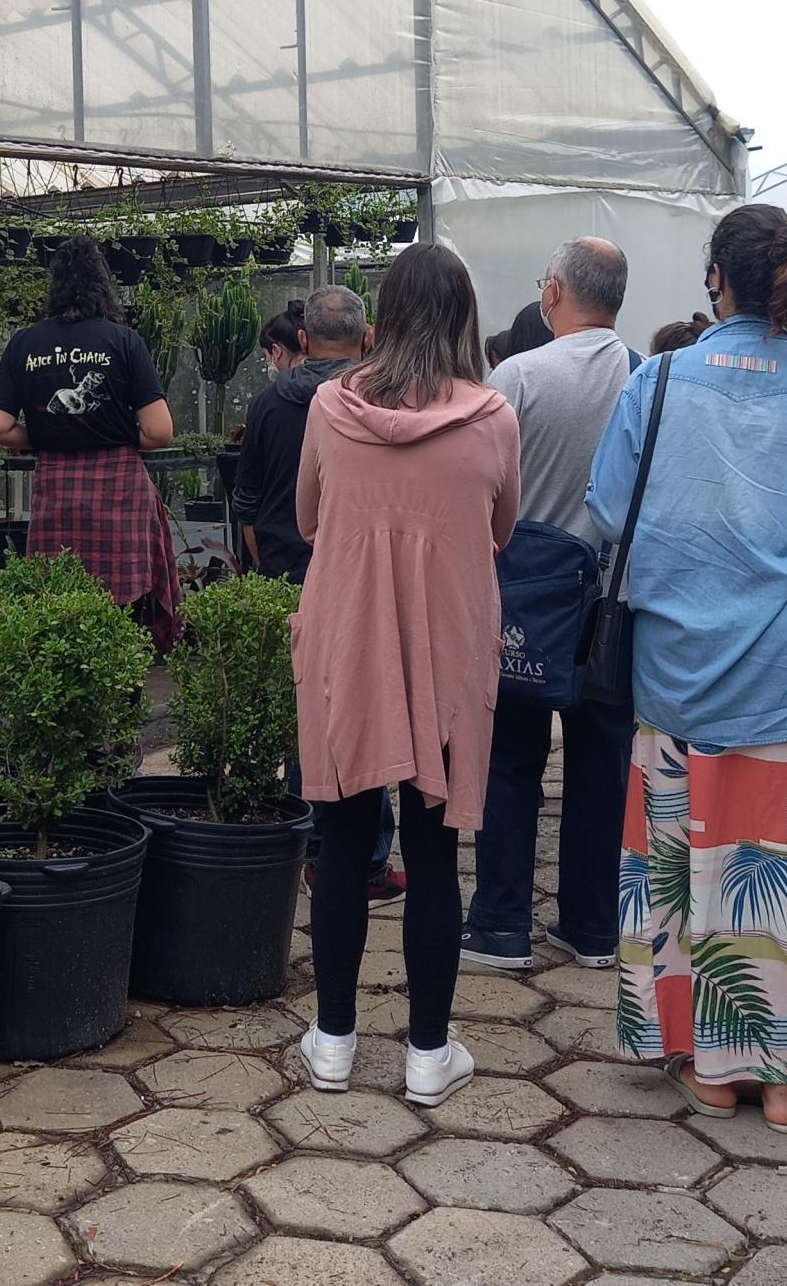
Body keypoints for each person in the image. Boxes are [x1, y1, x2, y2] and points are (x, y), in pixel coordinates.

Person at [589, 203, 787, 1132]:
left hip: (678, 674)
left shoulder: (658, 380)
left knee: (690, 873)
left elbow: (608, 511)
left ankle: (710, 1069)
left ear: (717, 278)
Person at [293, 245, 519, 1108]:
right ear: (464, 318)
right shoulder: (493, 417)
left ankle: (333, 1043)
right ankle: (428, 1053)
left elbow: (308, 518)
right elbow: (502, 529)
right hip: (449, 650)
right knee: (434, 853)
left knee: (343, 841)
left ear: (382, 315)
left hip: (348, 642)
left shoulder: (329, 405)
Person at [463, 237, 637, 974]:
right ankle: (593, 928)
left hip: (521, 601)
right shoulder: (647, 379)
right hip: (614, 608)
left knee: (510, 761)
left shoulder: (518, 374)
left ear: (555, 292)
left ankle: (501, 925)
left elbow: (479, 485)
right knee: (602, 765)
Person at [234, 288, 404, 903]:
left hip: (285, 568)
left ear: (303, 340)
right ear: (368, 338)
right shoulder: (380, 402)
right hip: (361, 575)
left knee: (306, 715)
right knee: (367, 708)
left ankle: (309, 848)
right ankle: (369, 858)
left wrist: (266, 563)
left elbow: (247, 500)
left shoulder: (267, 403)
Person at [0, 236, 179, 648]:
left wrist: (41, 435)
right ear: (102, 285)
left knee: (58, 597)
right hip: (119, 485)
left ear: (54, 287)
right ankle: (123, 675)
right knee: (125, 603)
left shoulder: (25, 343)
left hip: (57, 486)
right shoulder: (123, 341)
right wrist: (115, 433)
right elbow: (159, 431)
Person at [259, 300, 308, 377]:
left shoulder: (285, 384)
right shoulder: (326, 376)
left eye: (265, 355)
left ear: (276, 351)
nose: (267, 361)